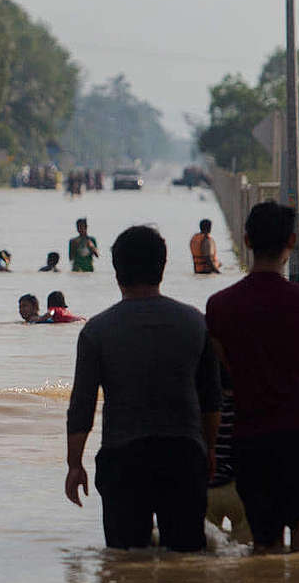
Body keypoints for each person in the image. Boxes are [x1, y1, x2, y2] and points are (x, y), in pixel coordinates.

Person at [65, 225, 221, 551]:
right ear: (162, 268)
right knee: (186, 561)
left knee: (124, 564)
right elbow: (210, 399)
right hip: (183, 455)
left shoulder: (97, 331)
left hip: (123, 459)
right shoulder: (195, 323)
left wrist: (74, 464)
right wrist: (209, 451)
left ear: (116, 271)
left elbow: (82, 406)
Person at [206, 201, 299, 552]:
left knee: (264, 555)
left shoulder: (220, 305)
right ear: (292, 242)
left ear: (247, 241)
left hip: (250, 446)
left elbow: (226, 373)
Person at [206, 364, 252, 544]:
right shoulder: (250, 403)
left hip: (207, 487)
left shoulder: (206, 404)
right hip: (241, 489)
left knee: (205, 555)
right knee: (247, 554)